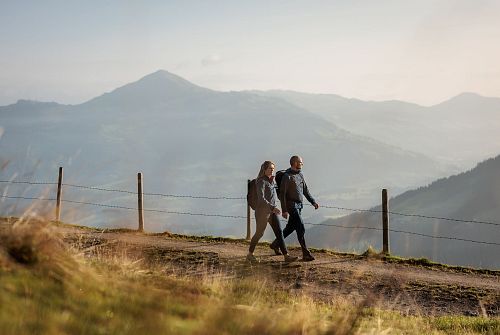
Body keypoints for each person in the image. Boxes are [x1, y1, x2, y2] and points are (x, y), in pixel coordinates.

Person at [247, 160, 298, 263]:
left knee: (279, 232)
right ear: (264, 169)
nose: (272, 170)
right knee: (259, 233)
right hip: (262, 212)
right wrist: (273, 207)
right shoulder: (261, 181)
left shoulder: (272, 181)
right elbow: (261, 198)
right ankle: (250, 254)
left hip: (272, 212)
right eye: (270, 168)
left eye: (273, 169)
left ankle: (286, 256)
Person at [270, 155, 319, 261]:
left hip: (299, 205)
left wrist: (313, 201)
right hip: (291, 206)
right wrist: (284, 210)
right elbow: (282, 194)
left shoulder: (300, 175)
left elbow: (305, 190)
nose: (302, 164)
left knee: (290, 227)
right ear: (295, 163)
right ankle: (305, 253)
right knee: (300, 227)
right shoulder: (287, 176)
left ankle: (275, 244)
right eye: (300, 162)